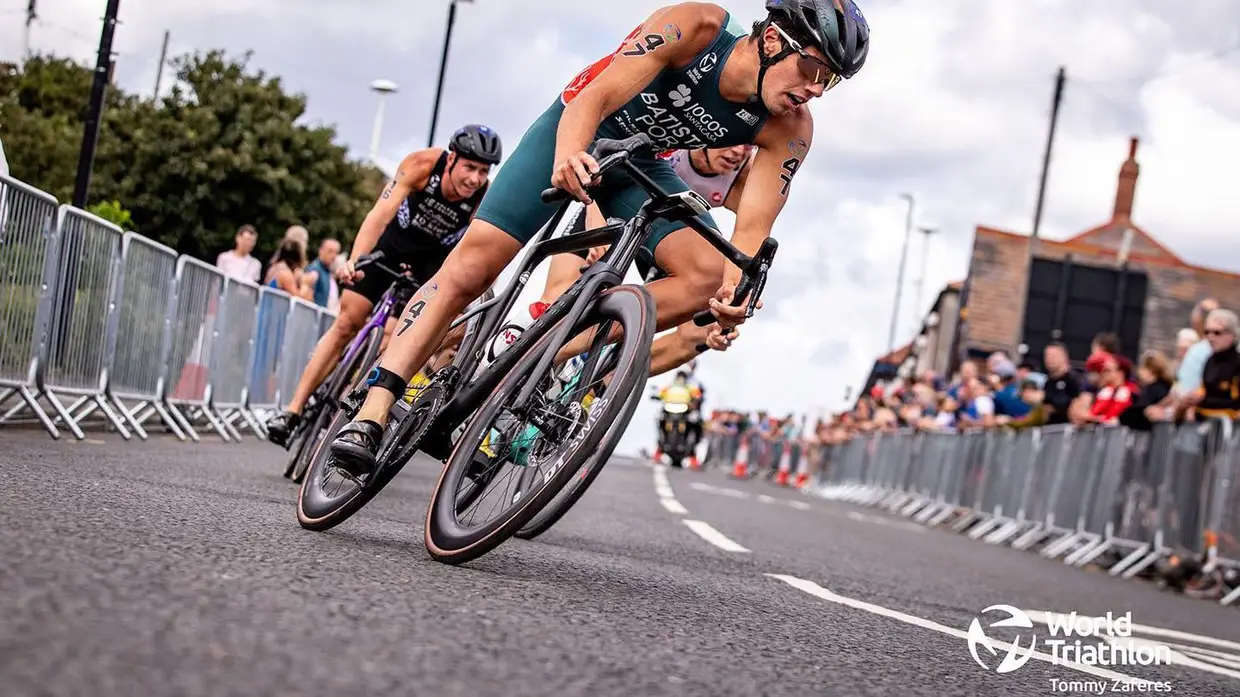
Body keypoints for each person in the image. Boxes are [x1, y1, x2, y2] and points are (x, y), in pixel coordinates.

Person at [329, 0, 870, 476]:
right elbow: (593, 96)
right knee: (471, 270)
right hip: (575, 128)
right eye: (813, 68)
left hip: (638, 162)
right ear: (773, 39)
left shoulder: (790, 128)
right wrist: (569, 154)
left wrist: (733, 295)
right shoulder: (697, 27)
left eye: (831, 82)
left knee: (706, 278)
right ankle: (375, 408)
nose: (814, 90)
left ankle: (547, 348)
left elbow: (750, 233)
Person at [264, 125, 502, 445]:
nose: (475, 179)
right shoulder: (421, 165)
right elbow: (380, 213)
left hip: (431, 266)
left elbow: (479, 251)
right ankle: (292, 411)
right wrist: (356, 259)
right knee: (347, 322)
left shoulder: (481, 198)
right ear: (451, 160)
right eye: (469, 167)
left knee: (396, 337)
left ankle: (363, 398)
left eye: (483, 171)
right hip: (390, 249)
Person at [490, 144, 757, 368]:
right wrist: (599, 228)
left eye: (748, 145)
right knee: (557, 295)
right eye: (734, 141)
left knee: (697, 331)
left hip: (669, 236)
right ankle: (518, 348)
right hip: (613, 206)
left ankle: (596, 383)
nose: (738, 151)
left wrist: (740, 289)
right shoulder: (680, 148)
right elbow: (607, 179)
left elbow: (746, 234)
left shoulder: (741, 174)